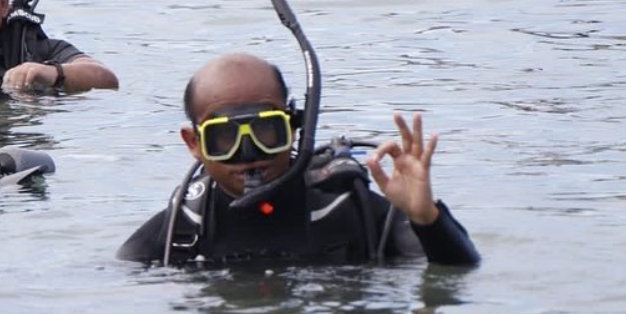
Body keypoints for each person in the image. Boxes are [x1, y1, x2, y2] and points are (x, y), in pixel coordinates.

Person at [116, 52, 480, 266]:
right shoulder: (179, 233)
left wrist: (426, 218)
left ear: (294, 127)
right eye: (224, 138)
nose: (248, 154)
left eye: (266, 131)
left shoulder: (349, 208)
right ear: (193, 143)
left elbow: (462, 270)